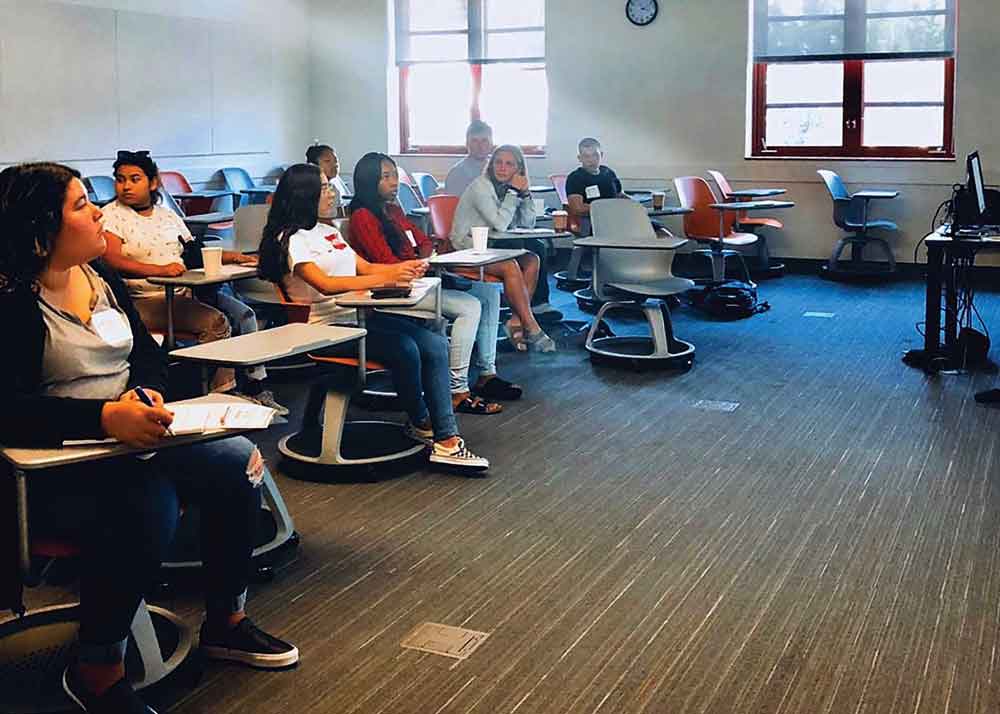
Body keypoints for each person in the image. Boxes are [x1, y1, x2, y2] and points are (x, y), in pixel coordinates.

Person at [0, 162, 298, 714]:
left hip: (130, 433)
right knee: (150, 503)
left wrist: (144, 393)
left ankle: (226, 620)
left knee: (237, 460)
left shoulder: (99, 277)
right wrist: (103, 418)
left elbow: (149, 356)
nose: (97, 211)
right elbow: (8, 410)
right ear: (41, 230)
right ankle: (97, 668)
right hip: (52, 461)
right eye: (79, 204)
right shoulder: (13, 300)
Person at [258, 163, 490, 469]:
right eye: (325, 187)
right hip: (323, 331)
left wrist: (403, 270)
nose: (333, 193)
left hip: (358, 320)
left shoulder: (328, 231)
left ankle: (444, 437)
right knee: (405, 347)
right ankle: (424, 422)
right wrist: (384, 280)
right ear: (306, 194)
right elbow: (326, 285)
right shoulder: (291, 239)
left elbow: (365, 268)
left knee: (434, 343)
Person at [100, 150, 286, 414]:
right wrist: (159, 269)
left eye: (134, 179)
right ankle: (224, 394)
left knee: (245, 315)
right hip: (144, 300)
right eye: (120, 179)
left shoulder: (167, 215)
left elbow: (194, 252)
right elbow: (113, 261)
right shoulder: (111, 216)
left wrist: (236, 257)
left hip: (183, 293)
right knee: (216, 322)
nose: (126, 186)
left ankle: (256, 386)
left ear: (152, 183)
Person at [348, 152, 523, 412]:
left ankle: (487, 373)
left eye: (395, 175)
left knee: (488, 293)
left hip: (421, 277)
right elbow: (384, 261)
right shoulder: (363, 216)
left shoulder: (393, 211)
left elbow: (424, 239)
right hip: (395, 290)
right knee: (469, 307)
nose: (395, 182)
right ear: (368, 181)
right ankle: (457, 389)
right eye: (386, 177)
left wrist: (423, 257)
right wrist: (420, 260)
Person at [445, 124, 560, 322]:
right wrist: (514, 193)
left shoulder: (506, 184)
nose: (503, 168)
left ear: (518, 169)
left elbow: (527, 224)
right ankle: (526, 312)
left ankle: (523, 314)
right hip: (474, 243)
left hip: (496, 237)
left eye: (509, 164)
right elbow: (499, 224)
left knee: (535, 249)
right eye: (498, 163)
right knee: (522, 248)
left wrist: (525, 194)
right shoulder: (480, 184)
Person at [565, 137, 627, 236]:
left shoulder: (608, 173)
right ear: (579, 158)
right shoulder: (575, 178)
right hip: (592, 221)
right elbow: (577, 209)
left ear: (601, 155)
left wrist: (636, 206)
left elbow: (621, 195)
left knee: (655, 229)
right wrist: (608, 208)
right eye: (586, 156)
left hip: (617, 218)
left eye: (595, 155)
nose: (591, 160)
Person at [443, 120, 494, 198]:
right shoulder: (457, 173)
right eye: (474, 141)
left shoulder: (496, 168)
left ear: (491, 144)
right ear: (467, 144)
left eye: (484, 140)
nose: (480, 146)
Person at [306, 143, 350, 214]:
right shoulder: (308, 190)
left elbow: (339, 215)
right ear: (313, 165)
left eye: (336, 160)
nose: (335, 165)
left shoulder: (334, 188)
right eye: (327, 161)